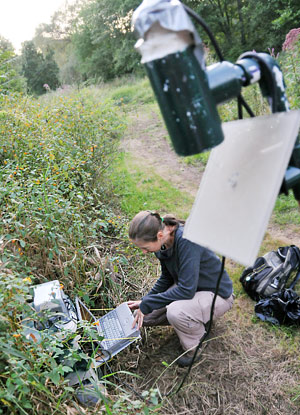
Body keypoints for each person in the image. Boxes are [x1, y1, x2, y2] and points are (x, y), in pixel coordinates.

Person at [127, 210, 234, 367]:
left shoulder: (187, 240)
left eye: (144, 247)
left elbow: (186, 290)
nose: (143, 252)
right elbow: (166, 278)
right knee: (143, 316)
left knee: (176, 312)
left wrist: (149, 303)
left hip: (217, 293)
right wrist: (145, 301)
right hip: (193, 286)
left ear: (159, 235)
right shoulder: (163, 244)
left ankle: (194, 347)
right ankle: (195, 320)